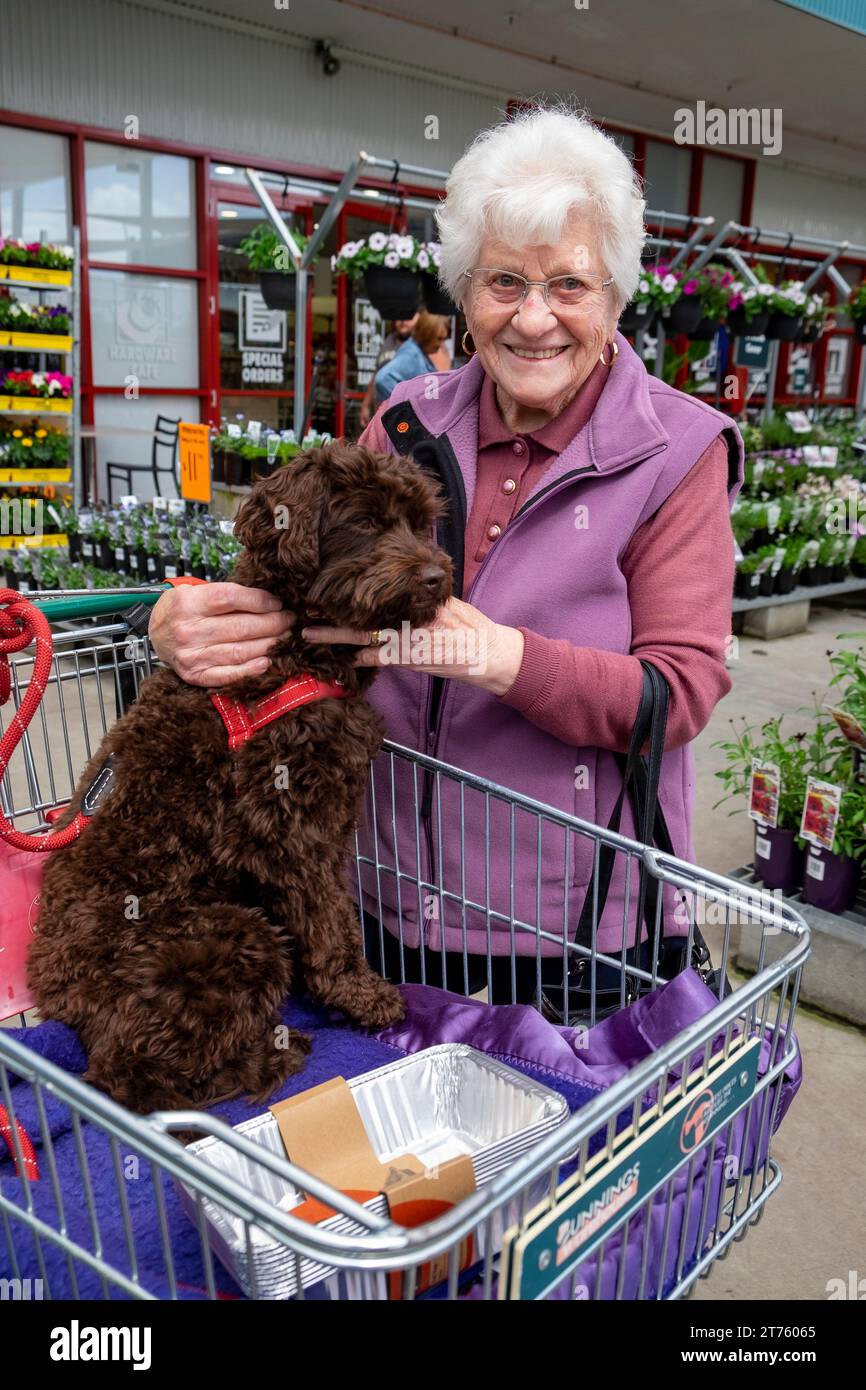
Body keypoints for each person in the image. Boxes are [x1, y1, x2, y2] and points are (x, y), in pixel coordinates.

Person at [149, 105, 742, 1005]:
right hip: (376, 904)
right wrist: (179, 616)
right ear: (463, 295)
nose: (534, 318)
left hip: (567, 933)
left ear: (617, 296)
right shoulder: (406, 421)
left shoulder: (678, 454)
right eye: (504, 281)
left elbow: (681, 691)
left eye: (570, 286)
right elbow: (301, 575)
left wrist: (502, 658)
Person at [373, 311, 449, 404]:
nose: (441, 344)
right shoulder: (412, 354)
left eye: (444, 339)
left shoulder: (419, 353)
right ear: (427, 334)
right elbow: (383, 379)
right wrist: (406, 409)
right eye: (439, 339)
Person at [358, 314, 417, 429]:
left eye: (408, 317)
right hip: (381, 411)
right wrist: (365, 404)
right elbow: (377, 373)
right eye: (399, 317)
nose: (403, 321)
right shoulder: (389, 340)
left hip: (406, 414)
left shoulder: (418, 345)